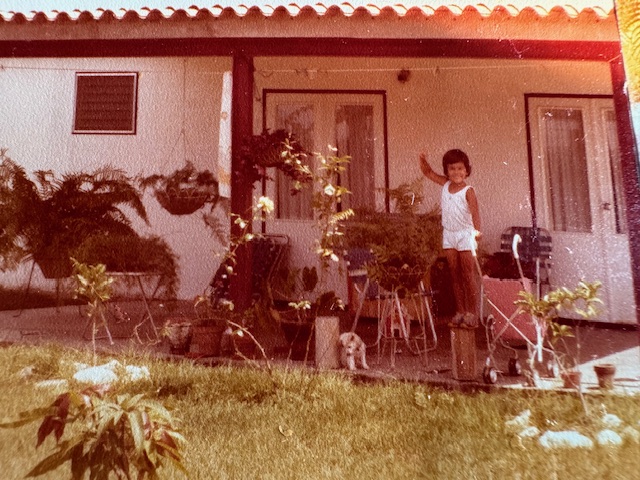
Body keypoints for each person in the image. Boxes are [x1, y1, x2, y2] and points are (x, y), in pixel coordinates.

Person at [419, 149, 481, 328]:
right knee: (454, 274)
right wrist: (422, 159)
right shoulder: (445, 184)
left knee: (467, 274)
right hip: (449, 234)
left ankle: (472, 313)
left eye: (460, 168)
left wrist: (477, 232)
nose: (456, 172)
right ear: (447, 171)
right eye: (452, 169)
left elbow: (475, 213)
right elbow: (428, 172)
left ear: (466, 170)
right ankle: (460, 311)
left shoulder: (468, 191)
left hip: (465, 234)